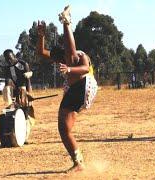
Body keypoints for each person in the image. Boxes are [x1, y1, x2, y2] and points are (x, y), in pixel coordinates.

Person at [36, 5, 98, 172]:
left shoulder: (79, 55)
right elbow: (42, 53)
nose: (60, 61)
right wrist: (41, 36)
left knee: (64, 128)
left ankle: (67, 22)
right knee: (64, 129)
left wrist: (70, 70)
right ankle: (78, 162)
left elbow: (84, 68)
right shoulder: (65, 58)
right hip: (77, 90)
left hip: (85, 85)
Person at [0, 49, 35, 142]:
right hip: (13, 88)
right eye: (7, 59)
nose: (9, 61)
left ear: (14, 56)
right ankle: (9, 102)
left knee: (25, 113)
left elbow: (28, 81)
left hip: (22, 88)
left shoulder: (22, 64)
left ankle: (25, 137)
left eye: (10, 58)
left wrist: (29, 93)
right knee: (7, 80)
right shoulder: (5, 64)